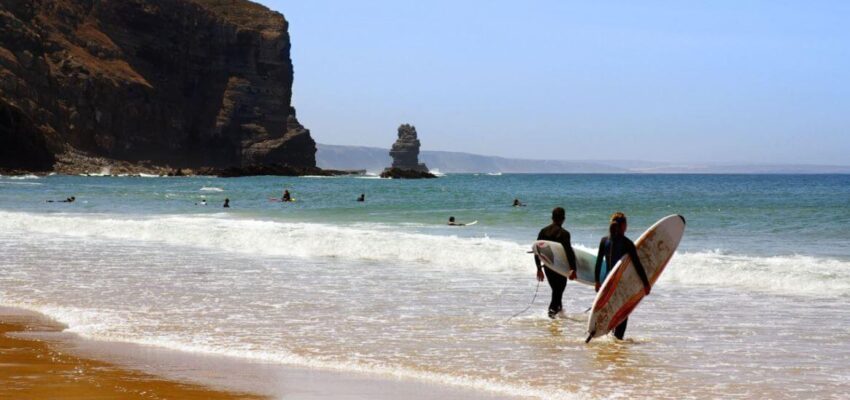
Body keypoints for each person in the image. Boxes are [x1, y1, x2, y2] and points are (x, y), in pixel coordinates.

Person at [594, 212, 651, 340]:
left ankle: (609, 340)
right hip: (620, 285)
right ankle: (617, 341)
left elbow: (598, 263)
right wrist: (646, 284)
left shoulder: (604, 241)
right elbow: (637, 265)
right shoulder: (627, 243)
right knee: (622, 314)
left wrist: (597, 282)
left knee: (609, 311)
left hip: (607, 283)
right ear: (623, 225)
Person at [534, 207, 577, 319]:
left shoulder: (543, 231)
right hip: (561, 268)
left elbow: (537, 250)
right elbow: (569, 252)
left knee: (557, 291)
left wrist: (539, 268)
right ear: (563, 219)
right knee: (558, 292)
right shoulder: (565, 234)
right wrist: (573, 268)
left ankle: (559, 315)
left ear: (552, 218)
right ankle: (551, 316)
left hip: (548, 267)